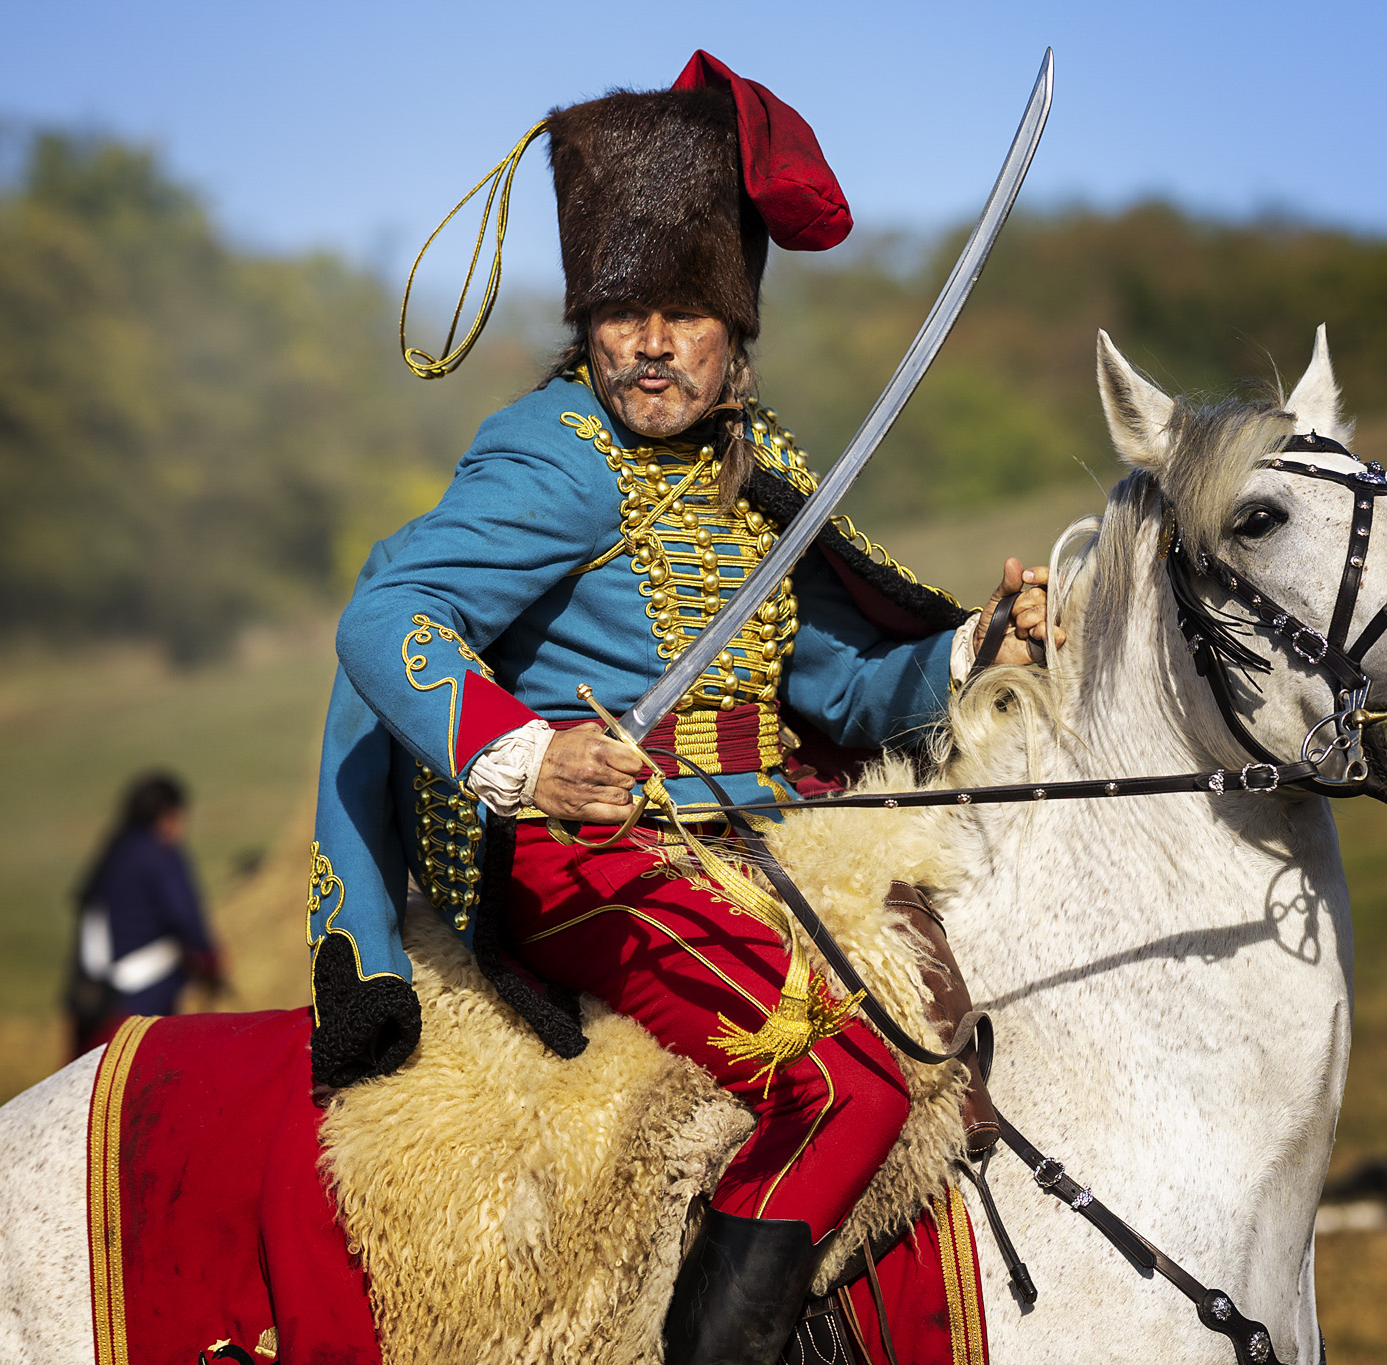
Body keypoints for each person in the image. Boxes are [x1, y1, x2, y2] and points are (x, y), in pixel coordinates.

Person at [306, 52, 1052, 1364]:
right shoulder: (556, 460)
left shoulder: (761, 474)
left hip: (758, 836)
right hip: (592, 857)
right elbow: (386, 616)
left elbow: (837, 688)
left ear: (738, 329)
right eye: (622, 309)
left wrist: (975, 649)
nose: (651, 342)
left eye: (686, 312)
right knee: (846, 1078)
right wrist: (526, 758)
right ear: (587, 320)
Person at [64, 770, 225, 1059]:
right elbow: (185, 916)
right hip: (140, 999)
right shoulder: (161, 855)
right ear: (168, 815)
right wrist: (211, 961)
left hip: (90, 1000)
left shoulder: (113, 850)